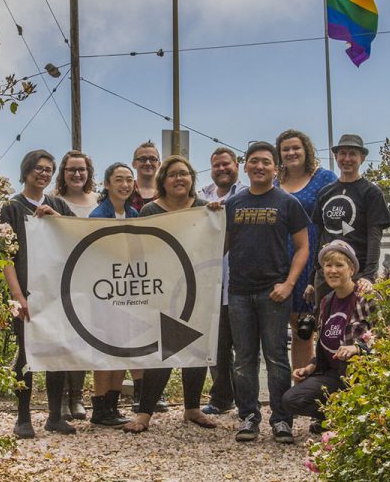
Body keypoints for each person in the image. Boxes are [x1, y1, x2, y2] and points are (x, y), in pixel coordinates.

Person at [209, 141, 310, 444]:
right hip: (238, 293)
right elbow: (220, 246)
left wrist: (289, 284)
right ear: (246, 166)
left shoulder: (287, 202)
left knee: (277, 358)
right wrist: (209, 217)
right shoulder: (234, 203)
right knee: (244, 360)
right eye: (254, 161)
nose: (260, 166)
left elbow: (304, 247)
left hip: (274, 293)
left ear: (275, 168)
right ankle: (249, 417)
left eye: (266, 162)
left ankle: (281, 420)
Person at [123, 155, 217, 433]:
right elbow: (139, 249)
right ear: (163, 180)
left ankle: (192, 408)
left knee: (195, 347)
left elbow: (220, 244)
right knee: (162, 349)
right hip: (162, 289)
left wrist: (216, 218)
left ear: (191, 179)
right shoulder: (150, 211)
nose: (179, 178)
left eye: (184, 174)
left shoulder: (204, 208)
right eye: (173, 174)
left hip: (198, 287)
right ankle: (144, 413)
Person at [0, 150, 77, 438]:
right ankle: (23, 418)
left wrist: (56, 217)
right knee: (26, 354)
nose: (43, 173)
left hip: (57, 291)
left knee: (57, 352)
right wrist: (17, 296)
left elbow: (75, 235)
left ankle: (55, 416)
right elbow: (4, 256)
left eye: (48, 169)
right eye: (38, 168)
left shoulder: (58, 204)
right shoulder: (11, 207)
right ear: (26, 170)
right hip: (27, 291)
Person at [282, 240, 376, 434]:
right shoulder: (326, 301)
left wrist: (358, 348)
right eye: (328, 265)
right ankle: (335, 416)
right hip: (334, 374)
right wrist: (310, 367)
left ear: (351, 269)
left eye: (339, 265)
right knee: (291, 399)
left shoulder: (366, 298)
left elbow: (387, 336)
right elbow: (326, 344)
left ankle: (353, 417)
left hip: (361, 374)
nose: (333, 270)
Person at [305, 134, 390, 313]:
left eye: (352, 154)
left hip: (356, 274)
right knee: (325, 328)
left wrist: (369, 276)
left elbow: (374, 237)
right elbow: (319, 237)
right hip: (326, 274)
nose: (347, 159)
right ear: (336, 157)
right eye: (342, 154)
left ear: (362, 158)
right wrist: (312, 279)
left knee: (355, 331)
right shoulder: (325, 193)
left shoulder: (371, 192)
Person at [274, 129, 338, 371]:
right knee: (288, 324)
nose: (291, 153)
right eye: (286, 149)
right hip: (280, 256)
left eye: (296, 148)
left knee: (307, 325)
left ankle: (308, 384)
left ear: (306, 150)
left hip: (312, 255)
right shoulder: (273, 181)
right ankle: (291, 388)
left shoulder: (324, 178)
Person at [87, 163, 139, 427]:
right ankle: (99, 406)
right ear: (107, 184)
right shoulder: (98, 215)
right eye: (119, 179)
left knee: (123, 349)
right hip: (104, 293)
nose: (125, 184)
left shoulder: (134, 213)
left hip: (128, 293)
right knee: (105, 349)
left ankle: (112, 405)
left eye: (129, 179)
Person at [197, 147, 246, 415]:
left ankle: (245, 401)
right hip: (209, 284)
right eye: (216, 165)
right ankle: (221, 397)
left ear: (236, 166)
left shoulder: (247, 195)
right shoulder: (200, 197)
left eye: (226, 164)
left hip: (239, 282)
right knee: (216, 347)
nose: (221, 169)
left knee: (243, 347)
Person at [52, 150, 100, 421]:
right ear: (64, 172)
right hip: (61, 277)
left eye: (82, 169)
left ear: (88, 172)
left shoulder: (98, 201)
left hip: (91, 278)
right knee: (62, 339)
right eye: (71, 169)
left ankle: (77, 397)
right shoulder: (54, 201)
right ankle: (59, 398)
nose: (77, 174)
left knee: (83, 338)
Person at [125, 141, 166, 412]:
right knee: (134, 329)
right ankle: (139, 388)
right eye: (143, 159)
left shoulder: (169, 191)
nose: (148, 163)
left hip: (164, 269)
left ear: (159, 163)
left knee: (160, 330)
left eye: (153, 158)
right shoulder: (126, 191)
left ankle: (155, 389)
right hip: (132, 269)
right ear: (134, 163)